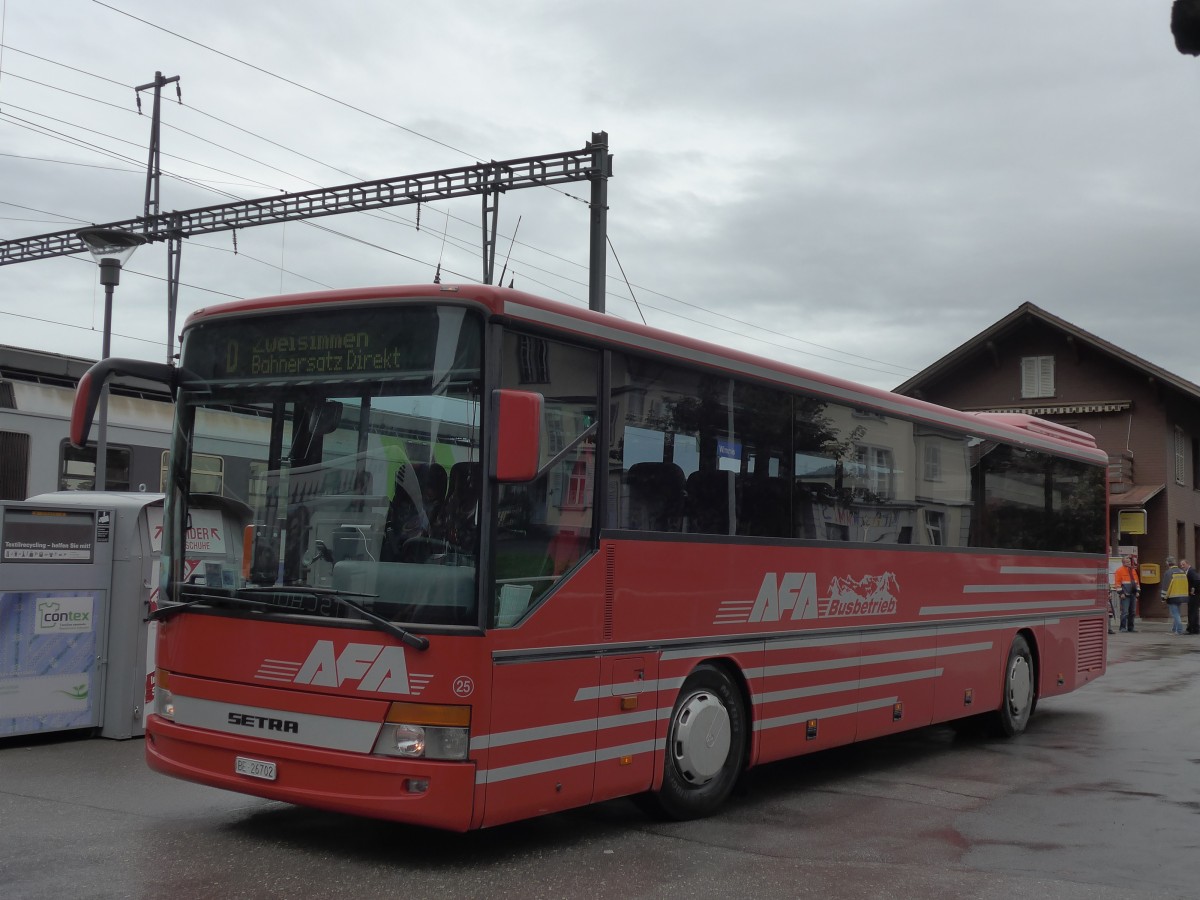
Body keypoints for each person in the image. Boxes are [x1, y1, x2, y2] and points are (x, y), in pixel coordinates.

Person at [1162, 556, 1189, 635]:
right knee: (1177, 612)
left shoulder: (1168, 572)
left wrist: (1163, 597)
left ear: (1167, 563)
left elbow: (1165, 586)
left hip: (1172, 596)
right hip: (1181, 596)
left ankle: (1179, 630)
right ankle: (1174, 629)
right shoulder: (1181, 571)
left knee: (1175, 614)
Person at [1114, 555, 1140, 632]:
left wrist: (1137, 592)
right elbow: (1117, 583)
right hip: (1125, 594)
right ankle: (1122, 627)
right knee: (1125, 612)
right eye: (1127, 562)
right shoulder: (1119, 571)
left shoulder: (1133, 570)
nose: (1129, 563)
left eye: (1129, 561)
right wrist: (1121, 593)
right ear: (1123, 563)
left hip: (1133, 594)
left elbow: (1137, 582)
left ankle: (1131, 627)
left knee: (1132, 612)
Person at [1185, 559, 1200, 635]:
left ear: (1188, 564)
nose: (1182, 566)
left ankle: (1192, 628)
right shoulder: (1190, 571)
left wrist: (1193, 588)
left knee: (1192, 612)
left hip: (1194, 595)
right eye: (1181, 565)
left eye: (1183, 564)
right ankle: (1194, 628)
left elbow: (1197, 580)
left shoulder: (1191, 571)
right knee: (1194, 611)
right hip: (1195, 595)